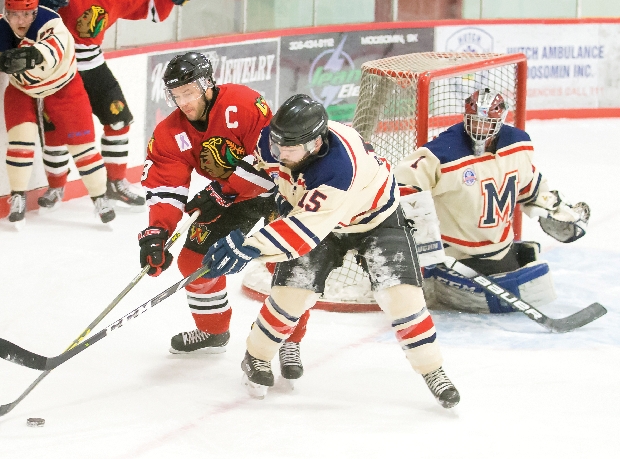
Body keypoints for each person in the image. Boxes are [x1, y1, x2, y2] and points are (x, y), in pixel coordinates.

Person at [202, 94, 460, 408]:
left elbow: (303, 231)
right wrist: (219, 191)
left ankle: (433, 370)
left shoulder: (339, 169)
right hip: (314, 214)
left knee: (402, 297)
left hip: (374, 219)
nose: (279, 154)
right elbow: (259, 168)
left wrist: (247, 247)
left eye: (289, 150)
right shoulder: (278, 137)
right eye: (276, 146)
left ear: (315, 144)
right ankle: (255, 358)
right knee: (289, 295)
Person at [138, 52, 311, 368]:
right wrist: (158, 231)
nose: (184, 102)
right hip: (231, 199)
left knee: (286, 264)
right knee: (193, 260)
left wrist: (221, 190)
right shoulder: (169, 133)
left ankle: (290, 338)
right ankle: (212, 332)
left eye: (188, 93)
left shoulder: (244, 104)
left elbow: (271, 159)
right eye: (176, 96)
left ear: (206, 85)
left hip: (278, 190)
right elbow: (165, 185)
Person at [31, 0, 203, 209]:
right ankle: (55, 187)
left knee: (119, 121)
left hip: (94, 66)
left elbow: (148, 3)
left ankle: (116, 183)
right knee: (56, 131)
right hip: (60, 67)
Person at [392, 88, 590, 313]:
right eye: (475, 121)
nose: (480, 128)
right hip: (456, 258)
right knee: (523, 293)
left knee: (538, 282)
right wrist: (417, 231)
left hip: (502, 252)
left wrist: (552, 207)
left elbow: (528, 185)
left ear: (501, 121)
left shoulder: (518, 144)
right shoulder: (443, 152)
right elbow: (403, 183)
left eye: (487, 123)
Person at [0, 0, 114, 226]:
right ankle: (17, 196)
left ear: (36, 12)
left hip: (64, 88)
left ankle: (100, 198)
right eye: (15, 14)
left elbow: (50, 51)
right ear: (6, 13)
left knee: (83, 147)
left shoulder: (52, 23)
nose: (21, 20)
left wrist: (29, 56)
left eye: (27, 13)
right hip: (22, 90)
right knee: (20, 142)